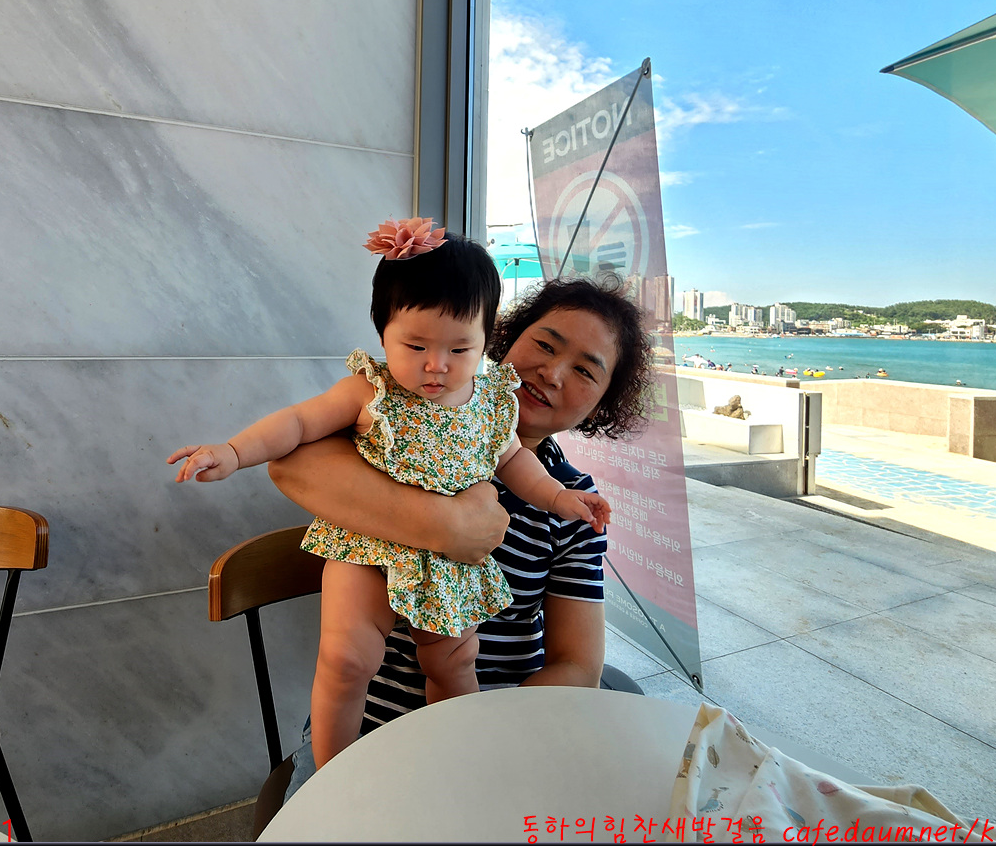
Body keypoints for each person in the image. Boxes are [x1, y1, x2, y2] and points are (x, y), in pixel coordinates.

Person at [169, 218, 610, 768]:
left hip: (451, 576)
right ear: (383, 333)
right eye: (416, 344)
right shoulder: (371, 391)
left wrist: (561, 501)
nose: (436, 365)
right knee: (346, 659)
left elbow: (518, 463)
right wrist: (233, 451)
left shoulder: (490, 408)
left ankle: (459, 762)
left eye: (459, 349)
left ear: (482, 340)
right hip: (367, 553)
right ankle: (333, 772)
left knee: (454, 664)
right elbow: (298, 428)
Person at [268, 273, 656, 789]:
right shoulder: (397, 427)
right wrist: (446, 525)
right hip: (365, 732)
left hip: (490, 731)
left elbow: (577, 666)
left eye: (585, 370)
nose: (552, 372)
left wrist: (486, 739)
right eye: (545, 344)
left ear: (602, 404)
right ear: (500, 337)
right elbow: (290, 464)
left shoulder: (572, 502)